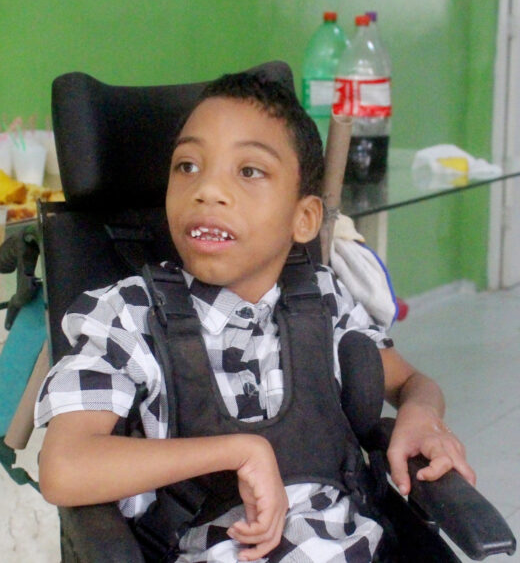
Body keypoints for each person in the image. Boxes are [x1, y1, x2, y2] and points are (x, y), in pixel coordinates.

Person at [34, 70, 475, 562]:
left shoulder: (322, 300)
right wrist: (238, 451)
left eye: (248, 171)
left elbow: (412, 382)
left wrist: (421, 415)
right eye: (187, 166)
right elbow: (64, 467)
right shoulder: (129, 317)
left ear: (304, 219)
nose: (208, 189)